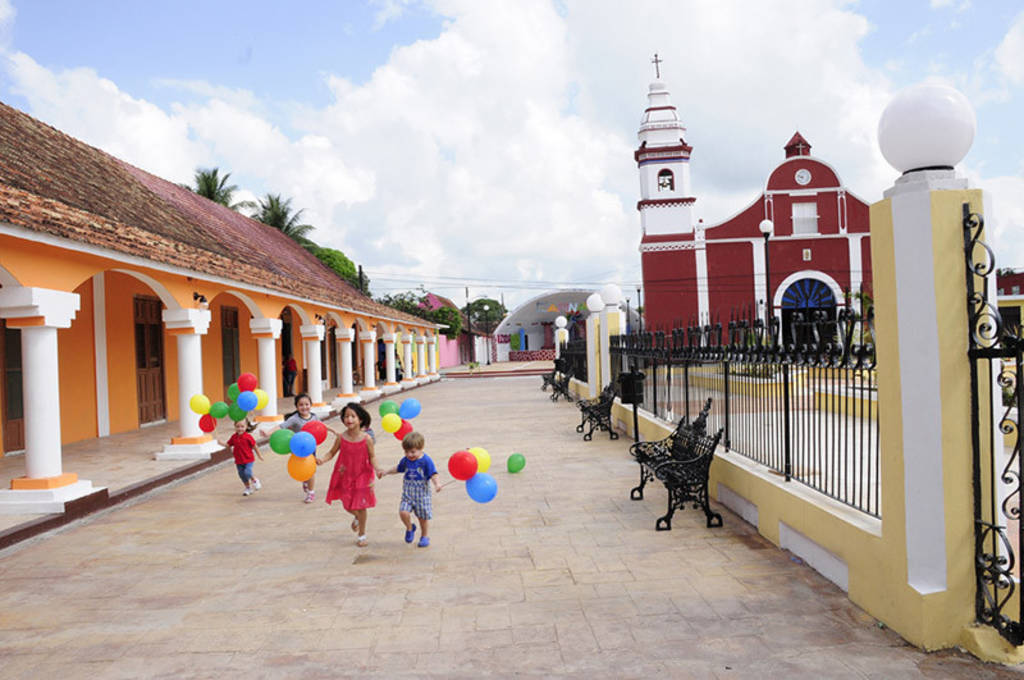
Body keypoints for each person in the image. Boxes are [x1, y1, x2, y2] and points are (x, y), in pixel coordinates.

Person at [317, 402, 381, 547]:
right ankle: (357, 517)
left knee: (361, 504)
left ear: (360, 420)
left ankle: (362, 534)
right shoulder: (341, 437)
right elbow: (332, 452)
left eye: (353, 416)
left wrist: (377, 469)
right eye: (346, 416)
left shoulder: (367, 439)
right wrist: (322, 459)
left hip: (363, 474)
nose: (349, 419)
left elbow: (372, 457)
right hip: (345, 474)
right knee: (347, 503)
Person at [379, 431, 442, 548]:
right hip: (408, 494)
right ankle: (410, 527)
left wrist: (437, 484)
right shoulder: (406, 460)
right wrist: (386, 472)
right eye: (406, 452)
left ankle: (424, 536)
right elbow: (398, 468)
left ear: (421, 448)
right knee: (403, 512)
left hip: (422, 495)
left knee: (422, 518)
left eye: (413, 452)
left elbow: (433, 473)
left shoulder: (426, 461)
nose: (409, 454)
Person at [279, 393, 324, 503]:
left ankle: (311, 493)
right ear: (296, 407)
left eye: (306, 404)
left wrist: (334, 431)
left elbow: (322, 427)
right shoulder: (294, 419)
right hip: (297, 449)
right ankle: (305, 480)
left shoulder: (315, 417)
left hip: (310, 448)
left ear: (311, 405)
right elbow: (281, 426)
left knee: (311, 470)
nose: (304, 407)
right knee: (302, 468)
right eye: (301, 405)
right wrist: (267, 432)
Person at [220, 418, 264, 496]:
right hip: (239, 461)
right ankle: (248, 488)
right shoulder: (234, 437)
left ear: (246, 427)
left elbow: (255, 446)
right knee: (241, 475)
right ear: (234, 427)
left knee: (247, 472)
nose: (240, 428)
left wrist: (259, 455)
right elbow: (228, 445)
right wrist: (221, 443)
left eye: (242, 426)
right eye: (237, 426)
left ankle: (254, 480)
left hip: (248, 459)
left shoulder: (248, 437)